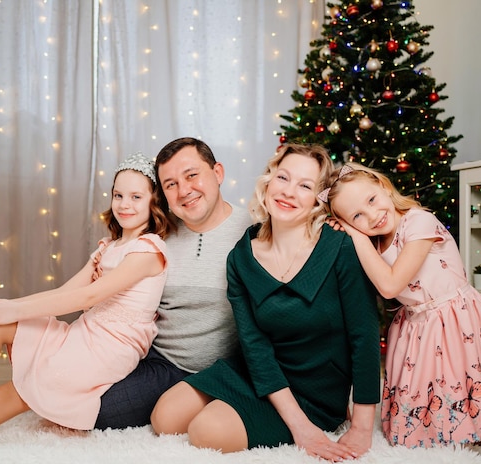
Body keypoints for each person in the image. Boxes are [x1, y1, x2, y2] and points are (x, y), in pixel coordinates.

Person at [0, 153, 169, 448]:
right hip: (84, 334)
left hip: (107, 350)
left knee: (2, 398)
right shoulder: (109, 247)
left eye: (136, 197)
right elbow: (65, 292)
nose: (124, 204)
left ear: (153, 202)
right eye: (118, 195)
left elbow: (88, 296)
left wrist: (14, 309)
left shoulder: (148, 250)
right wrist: (5, 308)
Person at [150, 144, 381, 462]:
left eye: (305, 185)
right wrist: (298, 428)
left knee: (207, 432)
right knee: (165, 417)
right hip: (258, 371)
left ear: (319, 198)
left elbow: (364, 338)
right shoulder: (241, 256)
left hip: (315, 390)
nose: (289, 192)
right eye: (283, 178)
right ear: (269, 181)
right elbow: (255, 347)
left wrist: (361, 426)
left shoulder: (340, 248)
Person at [320, 162, 481, 448]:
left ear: (384, 187)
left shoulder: (418, 221)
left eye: (371, 200)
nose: (372, 215)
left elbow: (390, 285)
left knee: (460, 407)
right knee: (410, 431)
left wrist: (355, 234)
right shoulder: (377, 244)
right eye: (357, 215)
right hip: (416, 326)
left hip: (453, 319)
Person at [95, 137, 252, 429]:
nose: (184, 191)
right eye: (170, 184)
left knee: (102, 411)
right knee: (75, 392)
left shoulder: (254, 232)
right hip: (153, 355)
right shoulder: (159, 231)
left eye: (192, 175)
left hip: (208, 369)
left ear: (217, 173)